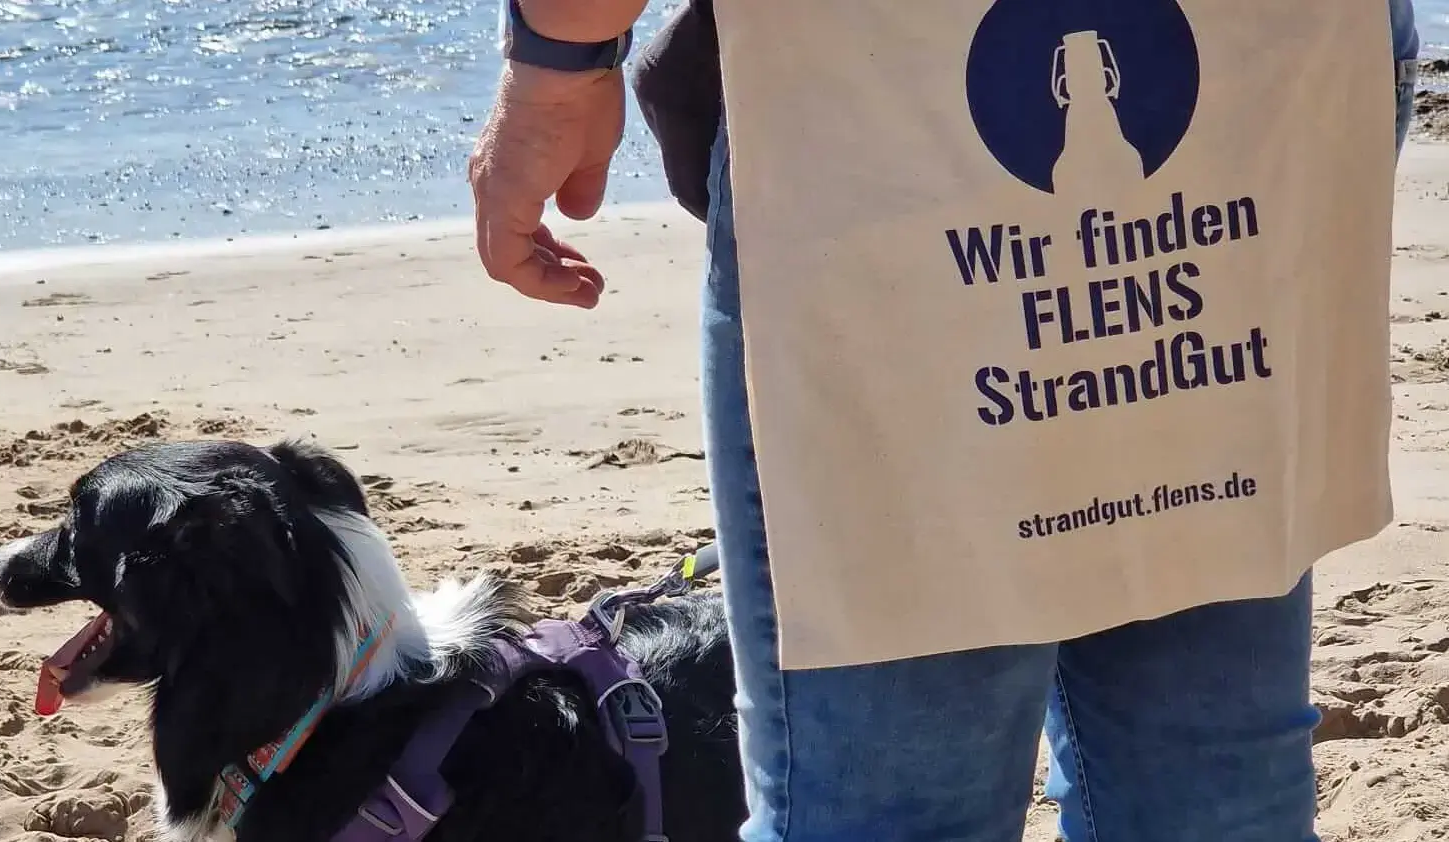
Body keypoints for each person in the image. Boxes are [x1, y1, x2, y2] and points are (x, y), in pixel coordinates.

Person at [468, 2, 1422, 840]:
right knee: (1211, 784)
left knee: (897, 805)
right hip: (1269, 73)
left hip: (894, 99)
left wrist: (560, 59)